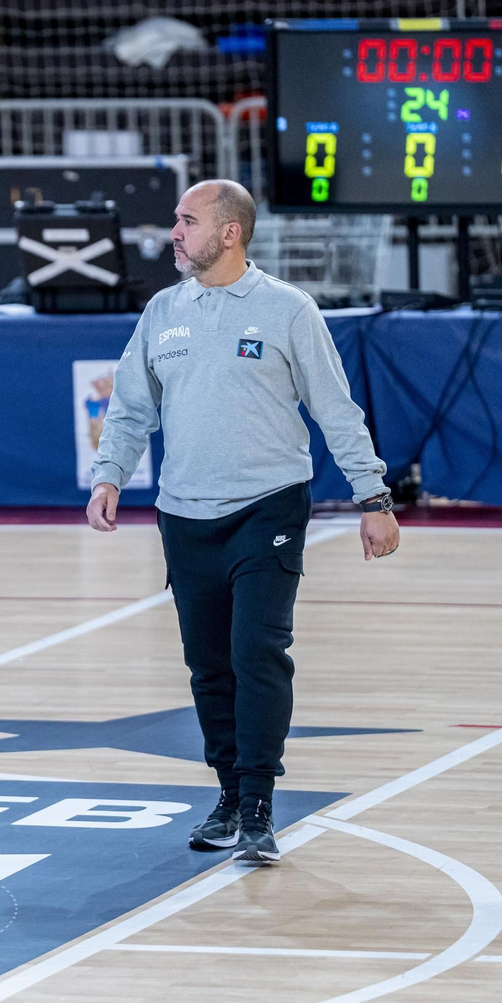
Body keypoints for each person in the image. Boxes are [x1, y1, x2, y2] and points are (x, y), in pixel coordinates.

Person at [85, 179, 399, 864]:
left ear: (229, 233)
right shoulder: (163, 311)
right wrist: (109, 474)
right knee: (208, 667)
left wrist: (373, 499)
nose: (174, 232)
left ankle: (258, 803)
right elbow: (132, 407)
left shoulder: (289, 310)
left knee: (258, 652)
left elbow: (336, 411)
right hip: (184, 515)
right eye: (177, 221)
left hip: (269, 507)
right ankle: (228, 790)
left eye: (187, 221)